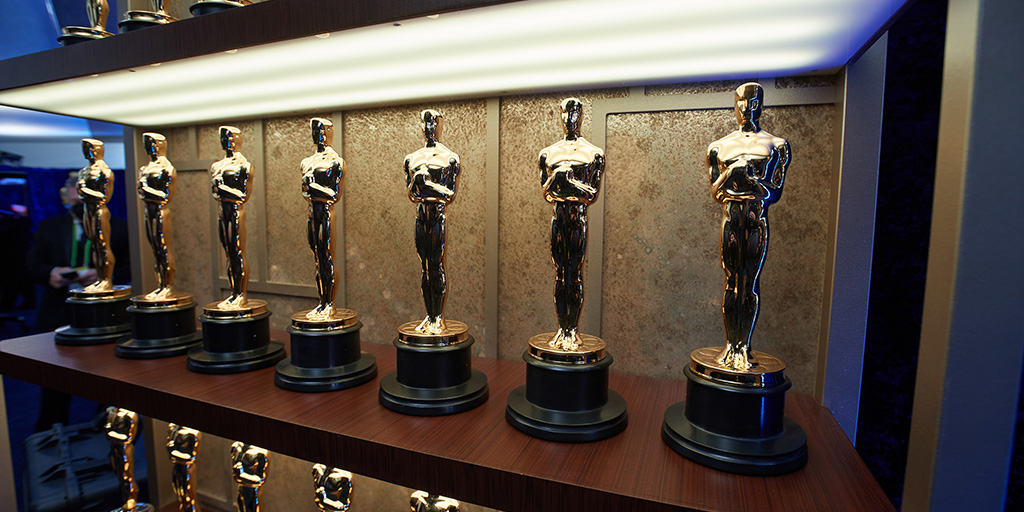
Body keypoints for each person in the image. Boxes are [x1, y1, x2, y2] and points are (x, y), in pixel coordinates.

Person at [26, 172, 128, 431]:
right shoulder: (49, 226)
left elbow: (134, 267)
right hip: (58, 311)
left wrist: (107, 274)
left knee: (108, 379)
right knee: (54, 382)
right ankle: (50, 435)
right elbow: (31, 265)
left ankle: (108, 434)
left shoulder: (121, 227)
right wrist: (51, 274)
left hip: (103, 316)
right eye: (75, 199)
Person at [706, 82, 791, 371]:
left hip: (756, 218)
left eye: (753, 101)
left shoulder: (776, 145)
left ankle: (745, 347)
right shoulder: (719, 146)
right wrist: (733, 171)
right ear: (735, 104)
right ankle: (731, 346)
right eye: (742, 101)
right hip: (731, 218)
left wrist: (748, 179)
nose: (747, 107)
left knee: (750, 283)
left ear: (761, 104)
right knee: (732, 281)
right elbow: (717, 192)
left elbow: (774, 192)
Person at [538, 98, 605, 352]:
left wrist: (570, 182)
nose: (570, 118)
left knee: (574, 272)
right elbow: (546, 194)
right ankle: (561, 328)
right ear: (560, 115)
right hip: (558, 217)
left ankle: (572, 330)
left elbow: (591, 195)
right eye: (566, 113)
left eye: (575, 112)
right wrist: (556, 177)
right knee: (559, 272)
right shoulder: (548, 153)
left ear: (582, 115)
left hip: (578, 218)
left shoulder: (593, 153)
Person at [404, 110, 460, 335]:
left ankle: (438, 317)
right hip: (420, 215)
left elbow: (449, 194)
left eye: (433, 123)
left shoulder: (449, 158)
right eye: (425, 123)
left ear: (440, 125)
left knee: (436, 265)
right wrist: (418, 185)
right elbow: (411, 194)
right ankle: (430, 315)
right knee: (424, 267)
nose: (429, 127)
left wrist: (425, 183)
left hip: (437, 215)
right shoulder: (411, 158)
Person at [301, 118, 345, 320]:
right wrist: (310, 187)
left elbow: (334, 194)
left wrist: (312, 186)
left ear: (329, 131)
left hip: (326, 212)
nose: (317, 134)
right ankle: (322, 302)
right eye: (314, 130)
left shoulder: (335, 161)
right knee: (317, 259)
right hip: (312, 213)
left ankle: (329, 304)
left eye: (321, 130)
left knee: (326, 257)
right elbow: (305, 191)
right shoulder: (306, 162)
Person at [210, 126, 253, 310]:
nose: (225, 140)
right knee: (228, 253)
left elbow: (242, 194)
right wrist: (220, 189)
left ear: (237, 138)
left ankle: (241, 294)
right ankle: (233, 292)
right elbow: (214, 192)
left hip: (236, 210)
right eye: (223, 137)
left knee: (237, 252)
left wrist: (222, 188)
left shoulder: (243, 165)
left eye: (229, 137)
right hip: (223, 211)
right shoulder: (216, 166)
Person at [138, 132, 177, 300]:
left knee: (163, 248)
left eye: (152, 143)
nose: (149, 147)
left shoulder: (166, 168)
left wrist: (146, 189)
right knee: (155, 250)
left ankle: (167, 286)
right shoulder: (144, 169)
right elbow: (141, 193)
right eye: (147, 143)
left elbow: (165, 195)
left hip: (161, 210)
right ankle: (160, 285)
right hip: (149, 210)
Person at [231, 442, 269, 512]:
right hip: (242, 490)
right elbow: (235, 474)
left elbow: (260, 479)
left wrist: (242, 475)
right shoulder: (240, 448)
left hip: (253, 493)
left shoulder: (261, 453)